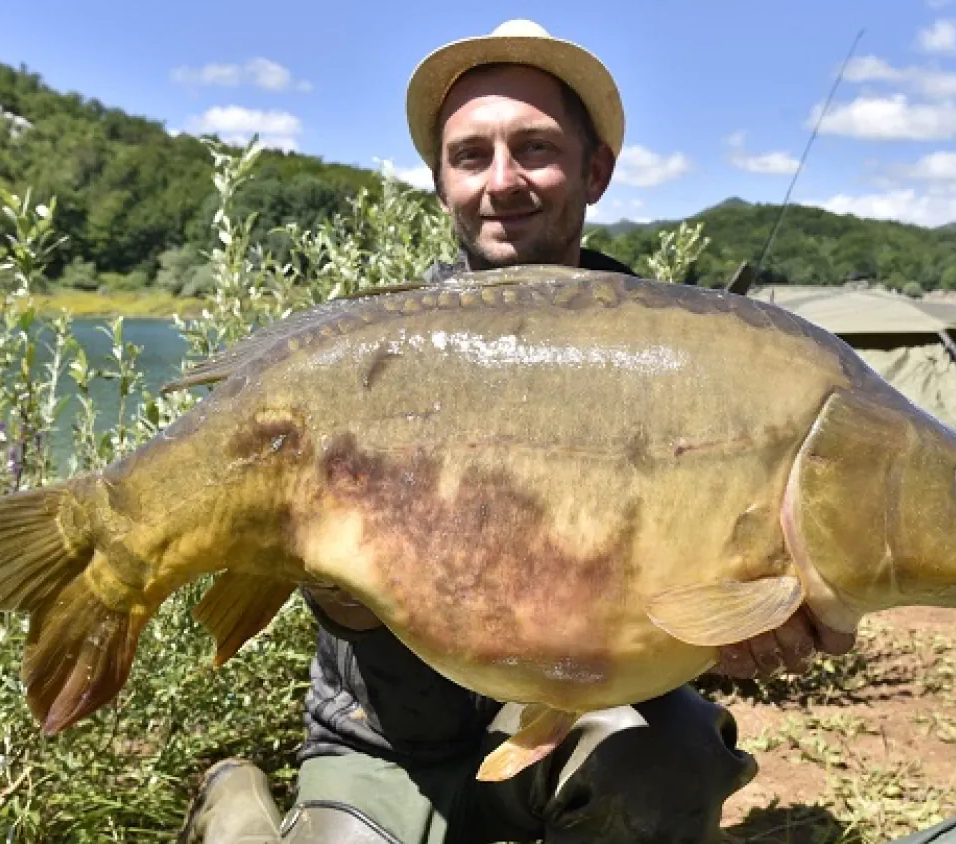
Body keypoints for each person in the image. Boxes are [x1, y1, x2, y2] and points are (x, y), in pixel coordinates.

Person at [178, 20, 856, 844]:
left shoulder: (676, 361)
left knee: (672, 763)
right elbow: (352, 622)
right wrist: (317, 565)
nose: (503, 181)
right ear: (441, 183)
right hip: (386, 741)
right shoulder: (376, 354)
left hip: (573, 717)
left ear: (595, 169)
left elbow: (692, 591)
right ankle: (236, 798)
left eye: (534, 148)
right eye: (471, 156)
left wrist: (750, 615)